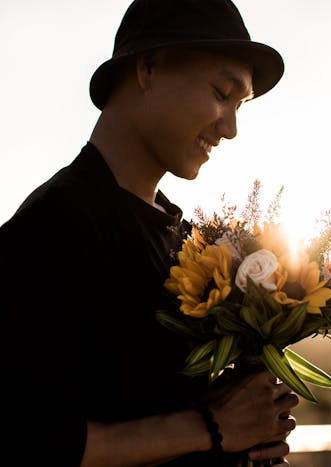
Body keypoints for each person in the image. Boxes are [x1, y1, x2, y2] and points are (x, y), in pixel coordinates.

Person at [0, 0, 299, 465]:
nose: (232, 128)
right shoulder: (54, 227)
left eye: (240, 106)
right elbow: (25, 437)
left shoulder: (187, 239)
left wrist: (244, 413)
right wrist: (211, 427)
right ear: (149, 68)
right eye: (222, 93)